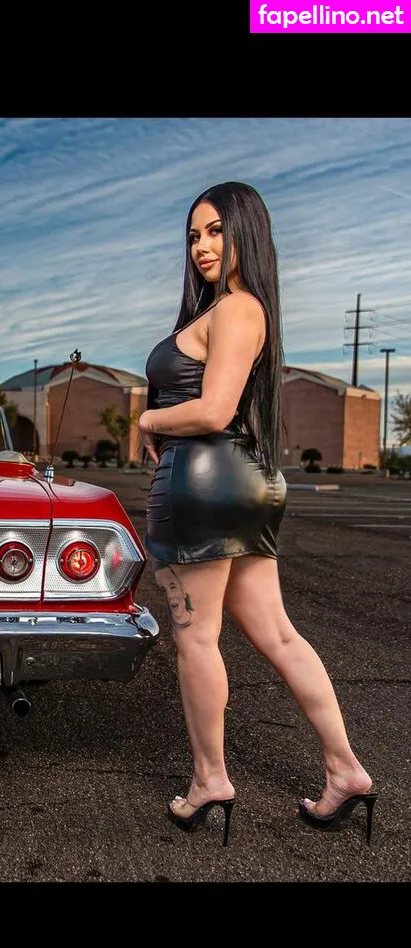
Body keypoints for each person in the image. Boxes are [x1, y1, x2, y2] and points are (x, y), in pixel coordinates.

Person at [136, 181, 376, 847]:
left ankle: (209, 780)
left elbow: (213, 410)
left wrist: (149, 419)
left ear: (248, 232)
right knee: (277, 635)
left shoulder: (239, 308)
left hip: (204, 480)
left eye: (216, 230)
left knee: (196, 637)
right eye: (194, 235)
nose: (202, 246)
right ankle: (345, 770)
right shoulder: (232, 309)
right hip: (247, 480)